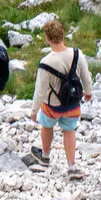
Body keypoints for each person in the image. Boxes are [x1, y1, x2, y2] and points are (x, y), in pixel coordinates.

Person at [27, 19, 94, 178]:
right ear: (63, 35)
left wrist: (34, 110)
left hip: (53, 106)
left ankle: (45, 156)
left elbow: (40, 91)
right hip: (72, 104)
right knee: (69, 131)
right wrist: (88, 92)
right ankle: (72, 167)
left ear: (47, 38)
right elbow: (86, 76)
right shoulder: (77, 54)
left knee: (47, 126)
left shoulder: (45, 63)